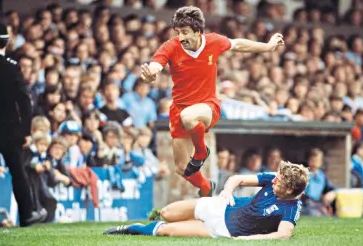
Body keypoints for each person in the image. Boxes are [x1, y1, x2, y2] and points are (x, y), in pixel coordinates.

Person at [140, 6, 284, 196]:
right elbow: (155, 65)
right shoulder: (171, 46)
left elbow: (238, 44)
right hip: (179, 109)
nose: (181, 37)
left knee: (189, 116)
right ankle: (207, 187)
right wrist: (150, 74)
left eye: (185, 32)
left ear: (198, 32)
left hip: (208, 106)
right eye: (178, 32)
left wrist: (267, 46)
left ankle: (201, 152)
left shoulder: (214, 42)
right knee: (182, 167)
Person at [103, 161, 309, 239]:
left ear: (290, 188)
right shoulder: (272, 180)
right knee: (166, 213)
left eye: (280, 180)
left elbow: (283, 235)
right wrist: (228, 191)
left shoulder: (291, 208)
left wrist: (248, 240)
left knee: (166, 230)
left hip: (224, 230)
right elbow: (237, 179)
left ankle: (132, 229)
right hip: (220, 206)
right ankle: (158, 217)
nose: (274, 179)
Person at [0, 15, 46, 227]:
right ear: (6, 41)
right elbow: (24, 101)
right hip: (10, 131)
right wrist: (26, 131)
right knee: (18, 173)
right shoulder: (12, 67)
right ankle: (27, 214)